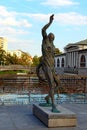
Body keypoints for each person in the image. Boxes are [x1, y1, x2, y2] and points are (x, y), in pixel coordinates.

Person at [36, 14, 60, 112]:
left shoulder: (53, 45)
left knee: (58, 84)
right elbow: (43, 30)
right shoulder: (45, 41)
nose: (51, 36)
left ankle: (47, 98)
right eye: (50, 35)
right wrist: (50, 22)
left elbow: (53, 56)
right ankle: (53, 105)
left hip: (52, 66)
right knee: (51, 84)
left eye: (53, 36)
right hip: (46, 65)